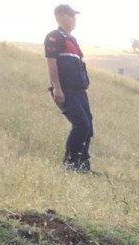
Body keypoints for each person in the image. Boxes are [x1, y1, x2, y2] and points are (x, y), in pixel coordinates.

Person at [44, 4, 93, 172]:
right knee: (81, 124)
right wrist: (57, 88)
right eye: (71, 16)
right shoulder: (54, 37)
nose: (74, 20)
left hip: (80, 90)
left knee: (89, 126)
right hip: (66, 89)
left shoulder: (72, 40)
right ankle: (71, 164)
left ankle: (83, 164)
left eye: (74, 16)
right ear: (60, 17)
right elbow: (51, 63)